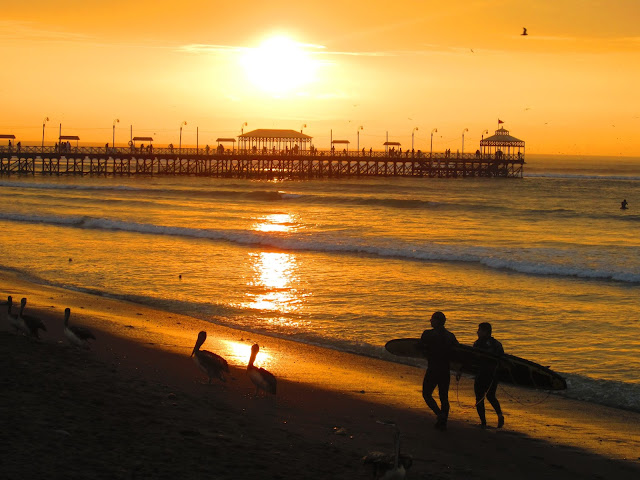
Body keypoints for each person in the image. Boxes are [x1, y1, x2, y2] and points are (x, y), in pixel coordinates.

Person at [420, 311, 459, 431]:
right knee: (444, 397)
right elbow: (458, 353)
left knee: (426, 394)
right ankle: (443, 423)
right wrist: (459, 369)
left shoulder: (427, 334)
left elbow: (420, 348)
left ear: (437, 321)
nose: (430, 321)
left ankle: (440, 415)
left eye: (432, 319)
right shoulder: (451, 336)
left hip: (433, 369)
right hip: (445, 370)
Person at [473, 322, 504, 429]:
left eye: (479, 330)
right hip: (492, 375)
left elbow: (473, 360)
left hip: (484, 374)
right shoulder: (497, 344)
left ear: (485, 332)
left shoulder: (478, 344)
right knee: (490, 396)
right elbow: (501, 361)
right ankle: (498, 415)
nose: (477, 332)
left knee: (480, 398)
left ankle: (483, 423)